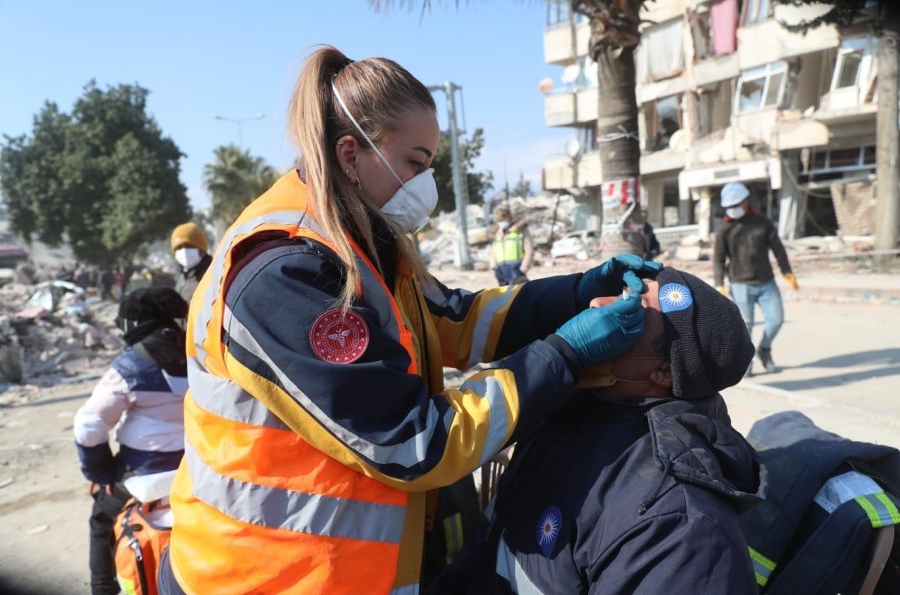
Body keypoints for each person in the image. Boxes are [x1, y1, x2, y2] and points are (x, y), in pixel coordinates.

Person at [156, 45, 662, 595]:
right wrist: (563, 355)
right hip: (263, 574)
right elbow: (415, 442)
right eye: (415, 163)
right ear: (351, 155)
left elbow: (454, 320)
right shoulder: (286, 272)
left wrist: (575, 292)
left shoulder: (361, 243)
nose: (427, 185)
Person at [431, 267, 765, 594]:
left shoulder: (676, 522)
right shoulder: (564, 414)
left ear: (663, 371)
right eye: (621, 294)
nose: (596, 305)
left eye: (632, 311)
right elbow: (486, 550)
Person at [73, 287, 188, 595]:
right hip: (197, 474)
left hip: (144, 477)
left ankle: (103, 588)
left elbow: (89, 425)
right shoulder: (199, 350)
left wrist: (101, 472)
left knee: (101, 519)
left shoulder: (129, 366)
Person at [714, 181, 797, 374]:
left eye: (736, 205)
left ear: (745, 201)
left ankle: (764, 349)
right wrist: (719, 283)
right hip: (740, 283)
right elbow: (718, 259)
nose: (733, 209)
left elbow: (778, 248)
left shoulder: (763, 223)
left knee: (776, 319)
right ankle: (747, 360)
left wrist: (787, 271)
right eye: (729, 206)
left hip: (766, 282)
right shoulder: (724, 230)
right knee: (746, 326)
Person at [490, 205, 534, 286]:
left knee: (518, 296)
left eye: (503, 220)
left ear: (509, 217)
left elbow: (529, 250)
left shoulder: (521, 231)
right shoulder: (497, 233)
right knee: (504, 296)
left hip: (516, 269)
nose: (501, 222)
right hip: (501, 270)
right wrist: (493, 264)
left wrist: (523, 268)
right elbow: (494, 250)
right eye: (499, 221)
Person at [169, 222, 213, 302]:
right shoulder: (183, 276)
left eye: (188, 246)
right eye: (179, 247)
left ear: (201, 249)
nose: (184, 251)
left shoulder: (212, 276)